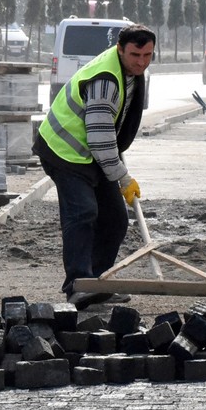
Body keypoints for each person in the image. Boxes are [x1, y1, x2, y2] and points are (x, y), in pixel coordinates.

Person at [35, 23, 153, 307]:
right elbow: (100, 139)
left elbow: (111, 132)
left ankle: (98, 283)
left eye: (148, 55)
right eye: (136, 55)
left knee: (115, 219)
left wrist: (117, 167)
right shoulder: (105, 81)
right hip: (63, 150)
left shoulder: (130, 73)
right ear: (120, 49)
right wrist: (123, 178)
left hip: (90, 152)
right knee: (83, 212)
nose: (141, 62)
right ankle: (78, 285)